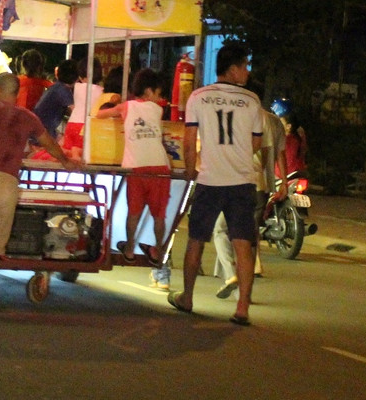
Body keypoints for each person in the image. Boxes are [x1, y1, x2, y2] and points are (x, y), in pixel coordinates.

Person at [0, 73, 80, 316]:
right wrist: (67, 162)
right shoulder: (28, 117)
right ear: (16, 94)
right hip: (9, 184)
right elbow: (49, 143)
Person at [169, 41, 262, 326]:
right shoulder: (252, 101)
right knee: (243, 244)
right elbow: (256, 143)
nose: (247, 72)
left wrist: (189, 170)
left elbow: (188, 139)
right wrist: (238, 154)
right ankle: (242, 308)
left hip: (209, 179)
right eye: (244, 66)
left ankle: (187, 296)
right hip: (242, 181)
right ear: (233, 70)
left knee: (197, 239)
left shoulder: (198, 97)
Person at [97, 68, 171, 266]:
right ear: (148, 92)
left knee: (134, 212)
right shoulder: (158, 110)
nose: (159, 98)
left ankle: (129, 249)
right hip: (160, 168)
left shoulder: (126, 106)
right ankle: (158, 251)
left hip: (136, 167)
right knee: (159, 215)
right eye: (158, 93)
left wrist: (112, 105)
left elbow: (100, 114)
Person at [212, 107, 287, 297]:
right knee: (248, 237)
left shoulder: (236, 116)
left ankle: (231, 275)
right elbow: (278, 154)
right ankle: (244, 293)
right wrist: (283, 183)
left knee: (221, 230)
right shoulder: (272, 121)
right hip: (260, 185)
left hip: (234, 182)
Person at [62, 57, 103, 160]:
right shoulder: (102, 91)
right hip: (87, 126)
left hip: (72, 124)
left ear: (80, 75)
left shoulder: (76, 87)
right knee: (83, 158)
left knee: (69, 157)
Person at [32, 59, 78, 138]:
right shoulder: (63, 90)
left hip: (38, 128)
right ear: (76, 78)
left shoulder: (56, 86)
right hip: (43, 132)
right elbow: (75, 112)